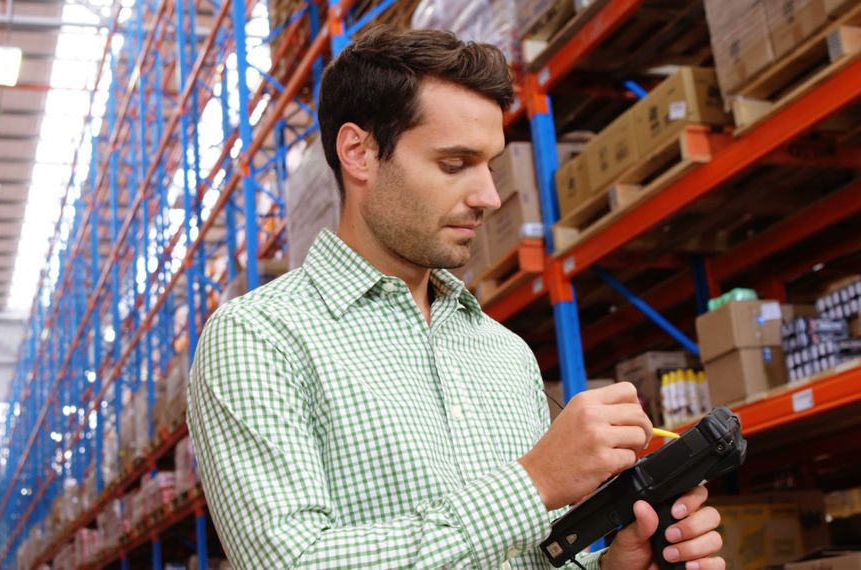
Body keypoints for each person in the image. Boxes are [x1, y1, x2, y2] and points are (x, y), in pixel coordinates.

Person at [187, 26, 724, 569]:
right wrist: (534, 481)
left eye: (489, 166)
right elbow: (292, 563)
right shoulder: (259, 337)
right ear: (359, 152)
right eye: (453, 164)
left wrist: (614, 567)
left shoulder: (504, 352)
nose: (488, 196)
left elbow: (526, 556)